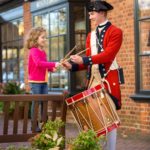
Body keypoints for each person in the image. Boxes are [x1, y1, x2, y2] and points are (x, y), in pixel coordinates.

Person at [62, 0, 123, 150]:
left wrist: (84, 59)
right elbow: (89, 61)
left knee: (109, 117)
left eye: (92, 13)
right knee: (94, 118)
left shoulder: (116, 32)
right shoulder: (90, 35)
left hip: (107, 81)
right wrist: (73, 66)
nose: (90, 17)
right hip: (92, 81)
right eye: (89, 14)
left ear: (102, 12)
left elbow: (107, 56)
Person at [25, 26, 59, 132]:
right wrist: (54, 63)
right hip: (35, 82)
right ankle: (34, 126)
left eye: (45, 37)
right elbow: (39, 64)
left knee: (44, 102)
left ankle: (45, 125)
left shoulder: (43, 52)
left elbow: (44, 66)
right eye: (42, 37)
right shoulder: (33, 50)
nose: (45, 39)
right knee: (36, 103)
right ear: (35, 38)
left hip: (44, 81)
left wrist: (51, 69)